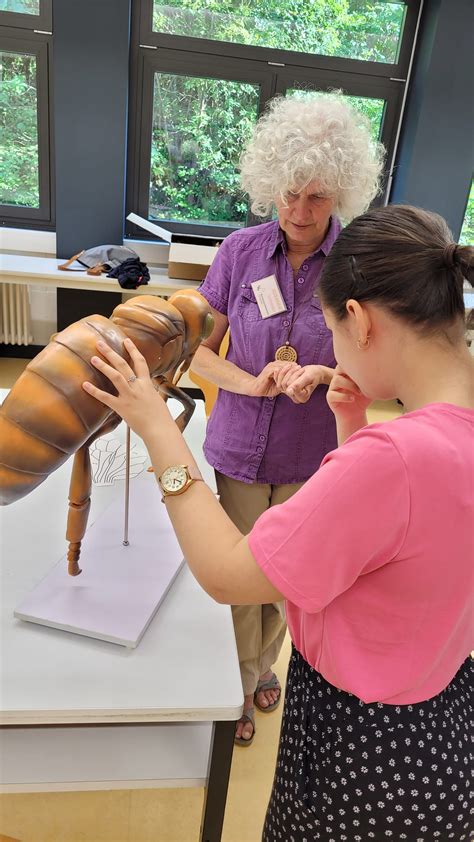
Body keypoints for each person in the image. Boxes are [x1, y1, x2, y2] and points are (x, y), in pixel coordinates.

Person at [83, 203, 474, 841]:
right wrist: (351, 425)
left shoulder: (393, 462)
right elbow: (400, 553)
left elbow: (228, 573)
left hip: (364, 754)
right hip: (442, 728)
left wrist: (158, 426)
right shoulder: (440, 440)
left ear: (360, 321)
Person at [189, 92, 384, 744]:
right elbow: (195, 353)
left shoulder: (359, 267)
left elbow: (378, 372)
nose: (300, 213)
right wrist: (254, 383)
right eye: (290, 194)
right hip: (240, 447)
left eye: (318, 199)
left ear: (342, 196)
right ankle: (241, 685)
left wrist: (326, 376)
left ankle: (262, 663)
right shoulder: (239, 253)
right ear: (270, 184)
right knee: (243, 575)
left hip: (311, 454)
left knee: (290, 580)